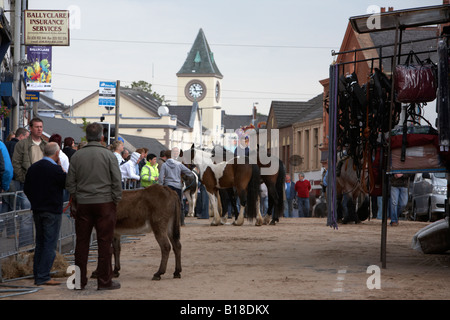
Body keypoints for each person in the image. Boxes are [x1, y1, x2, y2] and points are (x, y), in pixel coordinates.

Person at [66, 122, 122, 290]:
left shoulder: (77, 156)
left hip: (83, 203)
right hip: (105, 203)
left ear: (86, 137)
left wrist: (77, 197)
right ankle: (105, 282)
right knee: (105, 243)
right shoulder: (109, 156)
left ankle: (78, 281)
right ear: (102, 137)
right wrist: (115, 200)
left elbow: (70, 183)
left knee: (81, 244)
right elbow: (116, 182)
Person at [23, 142, 66, 286]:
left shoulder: (33, 168)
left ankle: (38, 273)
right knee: (49, 244)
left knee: (40, 243)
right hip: (52, 210)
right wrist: (60, 167)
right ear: (56, 154)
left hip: (37, 209)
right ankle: (43, 276)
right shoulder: (55, 170)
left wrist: (35, 201)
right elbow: (66, 183)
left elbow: (27, 188)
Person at [12, 117, 47, 246]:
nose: (39, 129)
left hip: (44, 187)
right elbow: (16, 163)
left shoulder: (46, 145)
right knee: (26, 216)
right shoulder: (22, 144)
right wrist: (24, 179)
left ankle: (41, 246)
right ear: (31, 128)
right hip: (28, 186)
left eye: (41, 127)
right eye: (37, 127)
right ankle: (26, 247)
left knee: (43, 216)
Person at [159, 147, 194, 226]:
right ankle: (181, 221)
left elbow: (161, 177)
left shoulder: (164, 165)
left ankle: (169, 222)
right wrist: (188, 178)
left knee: (167, 204)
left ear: (166, 156)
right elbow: (189, 173)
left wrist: (160, 185)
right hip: (178, 186)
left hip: (168, 186)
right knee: (179, 203)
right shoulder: (178, 164)